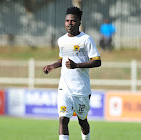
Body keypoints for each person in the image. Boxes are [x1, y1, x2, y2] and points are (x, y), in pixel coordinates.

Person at [43, 6, 101, 140]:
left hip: (81, 89)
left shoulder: (86, 40)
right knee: (63, 119)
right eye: (67, 20)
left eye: (73, 21)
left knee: (82, 121)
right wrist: (52, 66)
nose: (69, 23)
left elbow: (97, 61)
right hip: (64, 88)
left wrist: (77, 65)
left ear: (79, 22)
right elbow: (63, 59)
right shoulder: (61, 40)